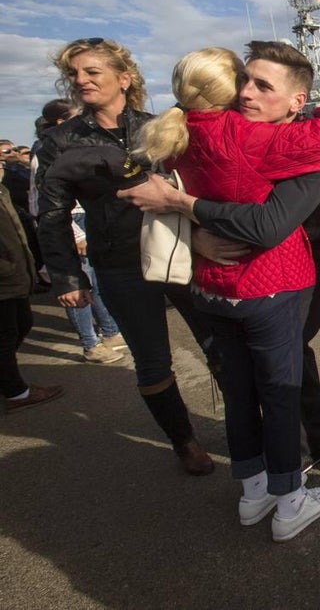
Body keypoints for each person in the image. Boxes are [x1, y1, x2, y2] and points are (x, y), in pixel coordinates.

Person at [119, 40, 320, 500]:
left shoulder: (311, 141)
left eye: (262, 85)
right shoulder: (241, 132)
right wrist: (195, 236)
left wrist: (184, 206)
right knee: (291, 341)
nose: (246, 92)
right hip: (303, 250)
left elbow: (270, 224)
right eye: (244, 81)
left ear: (297, 100)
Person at [37, 38, 216, 476]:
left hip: (178, 250)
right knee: (153, 359)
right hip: (118, 262)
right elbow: (52, 214)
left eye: (92, 71)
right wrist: (67, 276)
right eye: (75, 74)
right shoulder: (60, 141)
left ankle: (250, 427)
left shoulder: (161, 125)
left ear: (124, 78)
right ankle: (184, 440)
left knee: (220, 345)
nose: (81, 80)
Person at [29, 100, 125, 365]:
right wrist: (76, 234)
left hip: (87, 216)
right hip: (71, 221)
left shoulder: (82, 144)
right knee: (78, 285)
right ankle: (89, 343)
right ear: (62, 123)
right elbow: (44, 205)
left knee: (95, 283)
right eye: (78, 116)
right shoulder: (46, 151)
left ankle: (110, 332)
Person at [1, 180, 64, 413]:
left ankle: (8, 380)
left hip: (15, 274)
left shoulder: (2, 189)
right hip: (5, 277)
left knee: (22, 324)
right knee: (6, 335)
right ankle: (17, 393)